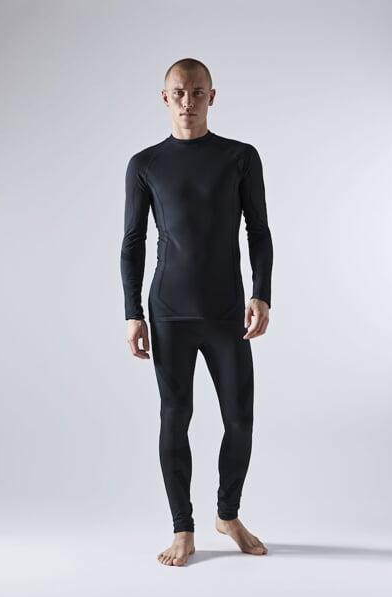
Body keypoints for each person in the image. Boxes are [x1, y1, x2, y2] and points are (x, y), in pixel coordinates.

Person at [120, 58, 273, 567]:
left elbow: (259, 230)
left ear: (212, 96)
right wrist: (133, 313)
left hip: (227, 310)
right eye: (179, 92)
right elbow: (133, 243)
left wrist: (262, 293)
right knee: (175, 417)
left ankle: (227, 515)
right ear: (165, 97)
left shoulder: (240, 157)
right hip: (169, 312)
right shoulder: (145, 164)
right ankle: (182, 528)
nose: (188, 101)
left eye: (198, 92)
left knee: (240, 419)